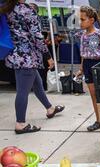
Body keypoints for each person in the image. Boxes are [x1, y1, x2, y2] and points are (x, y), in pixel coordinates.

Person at [1, 0, 64, 134]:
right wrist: (48, 56)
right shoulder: (27, 10)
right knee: (22, 91)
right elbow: (37, 36)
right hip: (27, 57)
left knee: (37, 83)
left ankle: (50, 109)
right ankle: (20, 124)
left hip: (15, 54)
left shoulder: (6, 8)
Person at [75, 5, 100, 132]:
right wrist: (81, 69)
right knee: (93, 95)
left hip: (99, 65)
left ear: (91, 20)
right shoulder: (83, 36)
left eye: (83, 19)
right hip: (87, 66)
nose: (80, 22)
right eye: (80, 19)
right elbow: (83, 55)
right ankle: (98, 120)